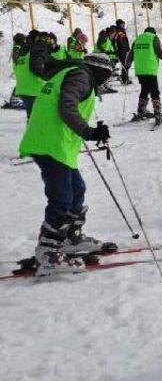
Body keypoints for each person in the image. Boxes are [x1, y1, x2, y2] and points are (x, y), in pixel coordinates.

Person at [18, 45, 115, 277]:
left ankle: (70, 238)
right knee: (62, 197)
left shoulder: (71, 72)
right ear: (101, 71)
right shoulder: (82, 76)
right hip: (50, 144)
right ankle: (48, 253)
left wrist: (89, 130)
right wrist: (89, 132)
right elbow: (66, 106)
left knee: (77, 189)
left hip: (55, 144)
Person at [125, 27, 162, 124]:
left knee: (145, 89)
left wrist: (127, 65)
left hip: (140, 71)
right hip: (150, 69)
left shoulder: (137, 39)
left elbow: (130, 55)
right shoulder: (153, 38)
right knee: (154, 91)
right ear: (153, 33)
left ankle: (141, 110)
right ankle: (157, 112)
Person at [13, 30, 46, 118]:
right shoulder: (33, 50)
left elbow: (16, 70)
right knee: (35, 117)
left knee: (31, 116)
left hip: (22, 88)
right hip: (34, 88)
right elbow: (37, 68)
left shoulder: (17, 52)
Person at [3, 33, 27, 110]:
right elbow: (16, 58)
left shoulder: (17, 47)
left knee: (22, 83)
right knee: (22, 83)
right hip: (20, 68)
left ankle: (15, 100)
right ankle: (14, 100)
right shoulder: (17, 47)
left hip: (20, 68)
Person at [114, 19, 132, 85]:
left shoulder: (121, 31)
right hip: (122, 51)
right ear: (120, 24)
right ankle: (125, 80)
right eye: (122, 24)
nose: (124, 25)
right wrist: (124, 50)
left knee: (125, 65)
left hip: (123, 50)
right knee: (125, 65)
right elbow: (121, 43)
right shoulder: (120, 32)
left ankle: (124, 78)